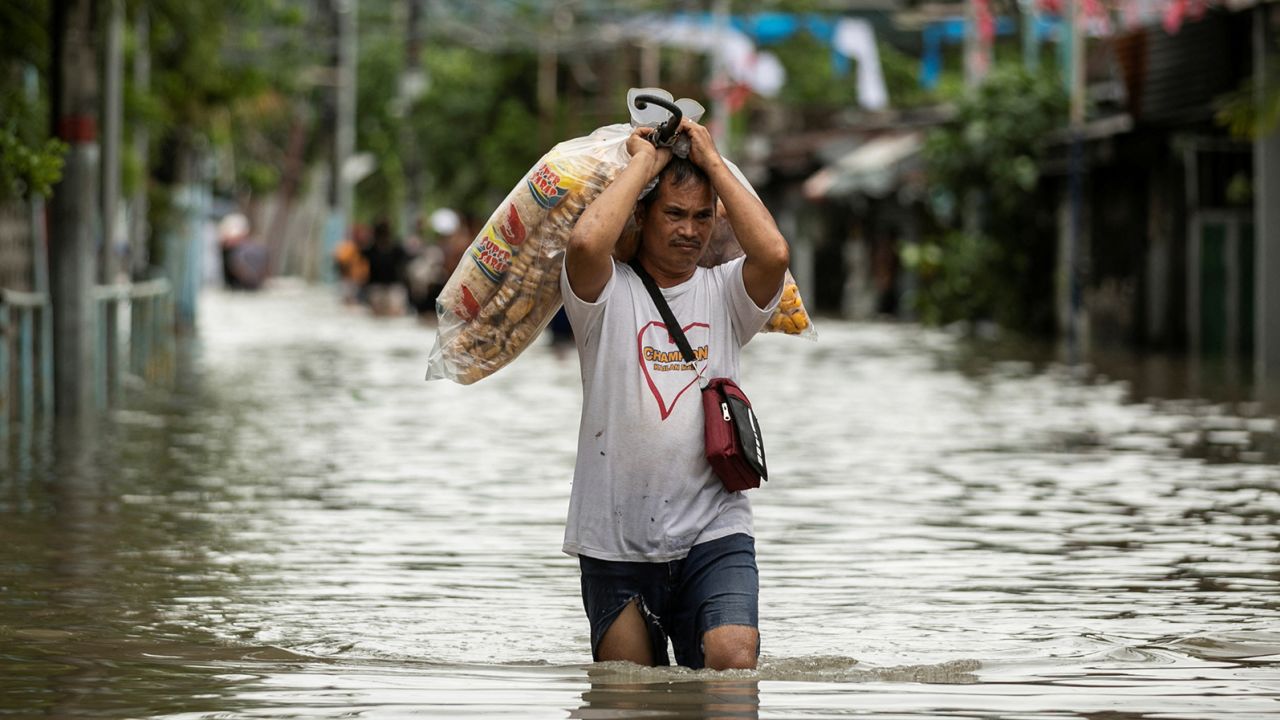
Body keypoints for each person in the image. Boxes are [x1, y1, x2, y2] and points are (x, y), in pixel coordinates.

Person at [560, 117, 790, 671]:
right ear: (642, 214)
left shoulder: (725, 294)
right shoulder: (603, 293)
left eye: (702, 217)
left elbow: (774, 254)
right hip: (614, 538)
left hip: (715, 529)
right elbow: (587, 241)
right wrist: (646, 162)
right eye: (674, 214)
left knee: (734, 664)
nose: (689, 230)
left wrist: (711, 160)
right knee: (627, 694)